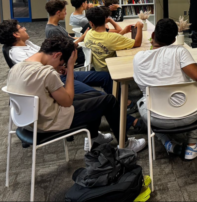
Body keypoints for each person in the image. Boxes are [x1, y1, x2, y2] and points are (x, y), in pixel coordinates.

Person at [6, 36, 146, 153]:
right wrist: (71, 68)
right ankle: (125, 145)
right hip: (49, 122)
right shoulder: (46, 73)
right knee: (109, 100)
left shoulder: (17, 67)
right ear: (57, 55)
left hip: (29, 120)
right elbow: (67, 101)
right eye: (61, 62)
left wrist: (58, 67)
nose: (61, 66)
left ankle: (94, 137)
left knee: (94, 96)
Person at [133, 18, 197, 160]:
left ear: (153, 36)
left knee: (142, 101)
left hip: (156, 117)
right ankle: (192, 145)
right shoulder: (179, 51)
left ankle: (167, 142)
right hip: (189, 115)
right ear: (174, 40)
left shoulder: (138, 57)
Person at [0, 19, 114, 95]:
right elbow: (37, 72)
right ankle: (122, 114)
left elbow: (45, 56)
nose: (24, 28)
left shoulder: (27, 43)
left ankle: (122, 104)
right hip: (54, 80)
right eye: (21, 28)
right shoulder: (16, 53)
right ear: (16, 34)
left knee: (105, 76)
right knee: (100, 96)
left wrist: (59, 67)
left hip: (59, 72)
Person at [84, 7, 143, 72]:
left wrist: (123, 32)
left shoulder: (89, 33)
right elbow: (137, 43)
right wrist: (139, 27)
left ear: (91, 23)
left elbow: (111, 41)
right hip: (110, 71)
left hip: (96, 69)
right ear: (105, 19)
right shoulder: (112, 38)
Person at [45, 0, 87, 65]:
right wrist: (83, 36)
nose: (66, 13)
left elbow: (70, 38)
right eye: (64, 11)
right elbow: (68, 48)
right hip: (71, 55)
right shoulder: (53, 30)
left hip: (74, 50)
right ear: (58, 13)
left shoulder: (57, 26)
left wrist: (83, 37)